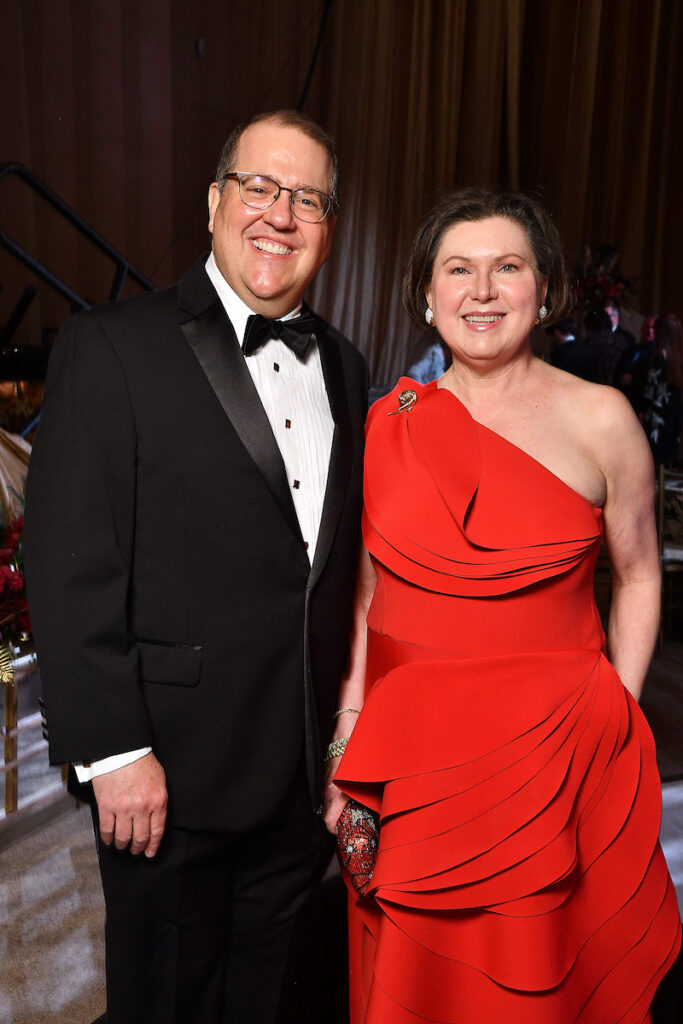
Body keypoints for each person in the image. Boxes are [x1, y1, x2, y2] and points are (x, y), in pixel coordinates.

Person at [24, 109, 369, 1024]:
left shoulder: (344, 366)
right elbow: (67, 565)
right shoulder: (111, 346)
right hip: (164, 774)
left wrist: (344, 745)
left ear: (329, 225)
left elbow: (332, 578)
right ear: (215, 201)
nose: (279, 215)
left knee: (265, 1001)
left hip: (297, 784)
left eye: (307, 198)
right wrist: (115, 751)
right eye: (259, 187)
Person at [323, 187, 681, 1022]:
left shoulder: (603, 420)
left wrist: (613, 712)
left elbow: (637, 574)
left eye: (506, 268)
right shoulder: (385, 427)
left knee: (537, 986)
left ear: (544, 287)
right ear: (425, 293)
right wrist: (347, 738)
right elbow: (365, 602)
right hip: (412, 769)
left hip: (557, 759)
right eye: (458, 270)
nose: (481, 291)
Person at [643, 314, 683, 466]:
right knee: (668, 456)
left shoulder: (658, 357)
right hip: (673, 413)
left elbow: (650, 390)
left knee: (655, 456)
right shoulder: (677, 358)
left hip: (657, 416)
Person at [617, 313, 656, 417]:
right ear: (642, 327)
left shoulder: (656, 354)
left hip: (641, 403)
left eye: (653, 328)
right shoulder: (630, 349)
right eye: (648, 327)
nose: (650, 331)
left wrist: (633, 379)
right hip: (624, 400)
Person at [547, 316, 596, 381]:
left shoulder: (560, 352)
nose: (552, 340)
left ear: (557, 333)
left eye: (551, 337)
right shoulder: (585, 348)